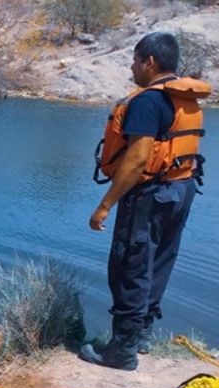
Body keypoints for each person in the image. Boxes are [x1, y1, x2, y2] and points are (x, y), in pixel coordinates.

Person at [79, 32, 210, 370]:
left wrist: (105, 205)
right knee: (159, 261)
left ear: (150, 62)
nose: (132, 67)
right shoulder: (184, 96)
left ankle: (121, 351)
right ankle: (142, 336)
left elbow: (137, 160)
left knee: (131, 265)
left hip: (151, 195)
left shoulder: (148, 101)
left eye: (135, 60)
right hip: (182, 189)